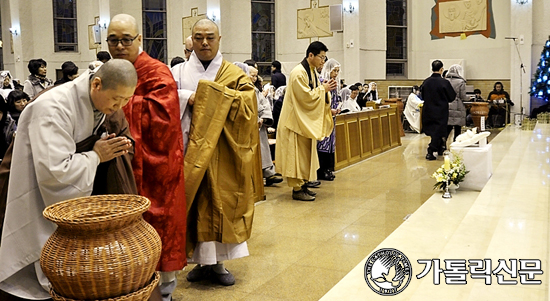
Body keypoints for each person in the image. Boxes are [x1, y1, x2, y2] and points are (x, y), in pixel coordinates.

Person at [0, 59, 137, 300]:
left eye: (126, 101)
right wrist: (96, 156)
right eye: (116, 99)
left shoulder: (97, 101)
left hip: (65, 184)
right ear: (96, 84)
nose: (118, 107)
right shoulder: (53, 107)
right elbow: (56, 172)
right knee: (38, 265)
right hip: (38, 188)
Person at [171, 18, 263, 286]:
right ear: (191, 40)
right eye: (198, 37)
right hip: (189, 150)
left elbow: (248, 106)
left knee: (219, 203)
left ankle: (219, 263)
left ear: (219, 39)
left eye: (210, 37)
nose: (204, 42)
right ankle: (199, 262)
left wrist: (210, 95)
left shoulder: (234, 73)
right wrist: (187, 96)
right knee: (193, 204)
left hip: (222, 151)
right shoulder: (177, 72)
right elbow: (164, 98)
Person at [107, 14, 187, 300]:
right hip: (121, 162)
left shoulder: (156, 71)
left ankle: (164, 292)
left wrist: (117, 104)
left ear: (139, 39)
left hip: (157, 169)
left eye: (126, 39)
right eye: (113, 40)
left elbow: (164, 120)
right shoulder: (108, 70)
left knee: (158, 230)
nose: (119, 46)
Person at [275, 41, 335, 201]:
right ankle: (297, 189)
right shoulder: (298, 73)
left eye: (324, 57)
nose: (323, 61)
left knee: (304, 156)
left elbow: (314, 93)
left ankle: (303, 185)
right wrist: (324, 89)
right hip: (293, 122)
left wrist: (325, 90)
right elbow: (305, 97)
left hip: (302, 121)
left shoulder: (312, 71)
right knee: (295, 157)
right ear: (311, 55)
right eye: (321, 57)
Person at [245, 64, 282, 186]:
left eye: (256, 76)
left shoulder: (255, 90)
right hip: (248, 125)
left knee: (263, 147)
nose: (254, 78)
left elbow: (264, 105)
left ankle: (268, 172)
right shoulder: (242, 90)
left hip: (260, 125)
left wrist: (263, 118)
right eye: (252, 75)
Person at [421, 60, 456, 160]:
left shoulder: (426, 82)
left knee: (433, 131)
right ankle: (430, 150)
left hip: (428, 110)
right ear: (441, 69)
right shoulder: (444, 82)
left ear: (432, 69)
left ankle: (440, 148)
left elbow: (422, 96)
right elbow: (451, 97)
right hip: (440, 111)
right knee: (439, 131)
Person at [317, 58, 341, 181]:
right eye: (334, 71)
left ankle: (328, 168)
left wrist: (337, 108)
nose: (336, 74)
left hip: (332, 117)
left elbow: (336, 99)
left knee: (331, 143)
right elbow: (320, 101)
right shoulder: (323, 82)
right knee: (323, 143)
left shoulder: (335, 83)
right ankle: (321, 170)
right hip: (323, 118)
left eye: (337, 71)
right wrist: (329, 110)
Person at [445, 64, 467, 142]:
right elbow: (463, 96)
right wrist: (468, 99)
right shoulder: (461, 82)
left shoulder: (445, 80)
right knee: (458, 127)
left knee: (448, 126)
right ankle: (456, 143)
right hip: (457, 106)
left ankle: (443, 144)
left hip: (446, 105)